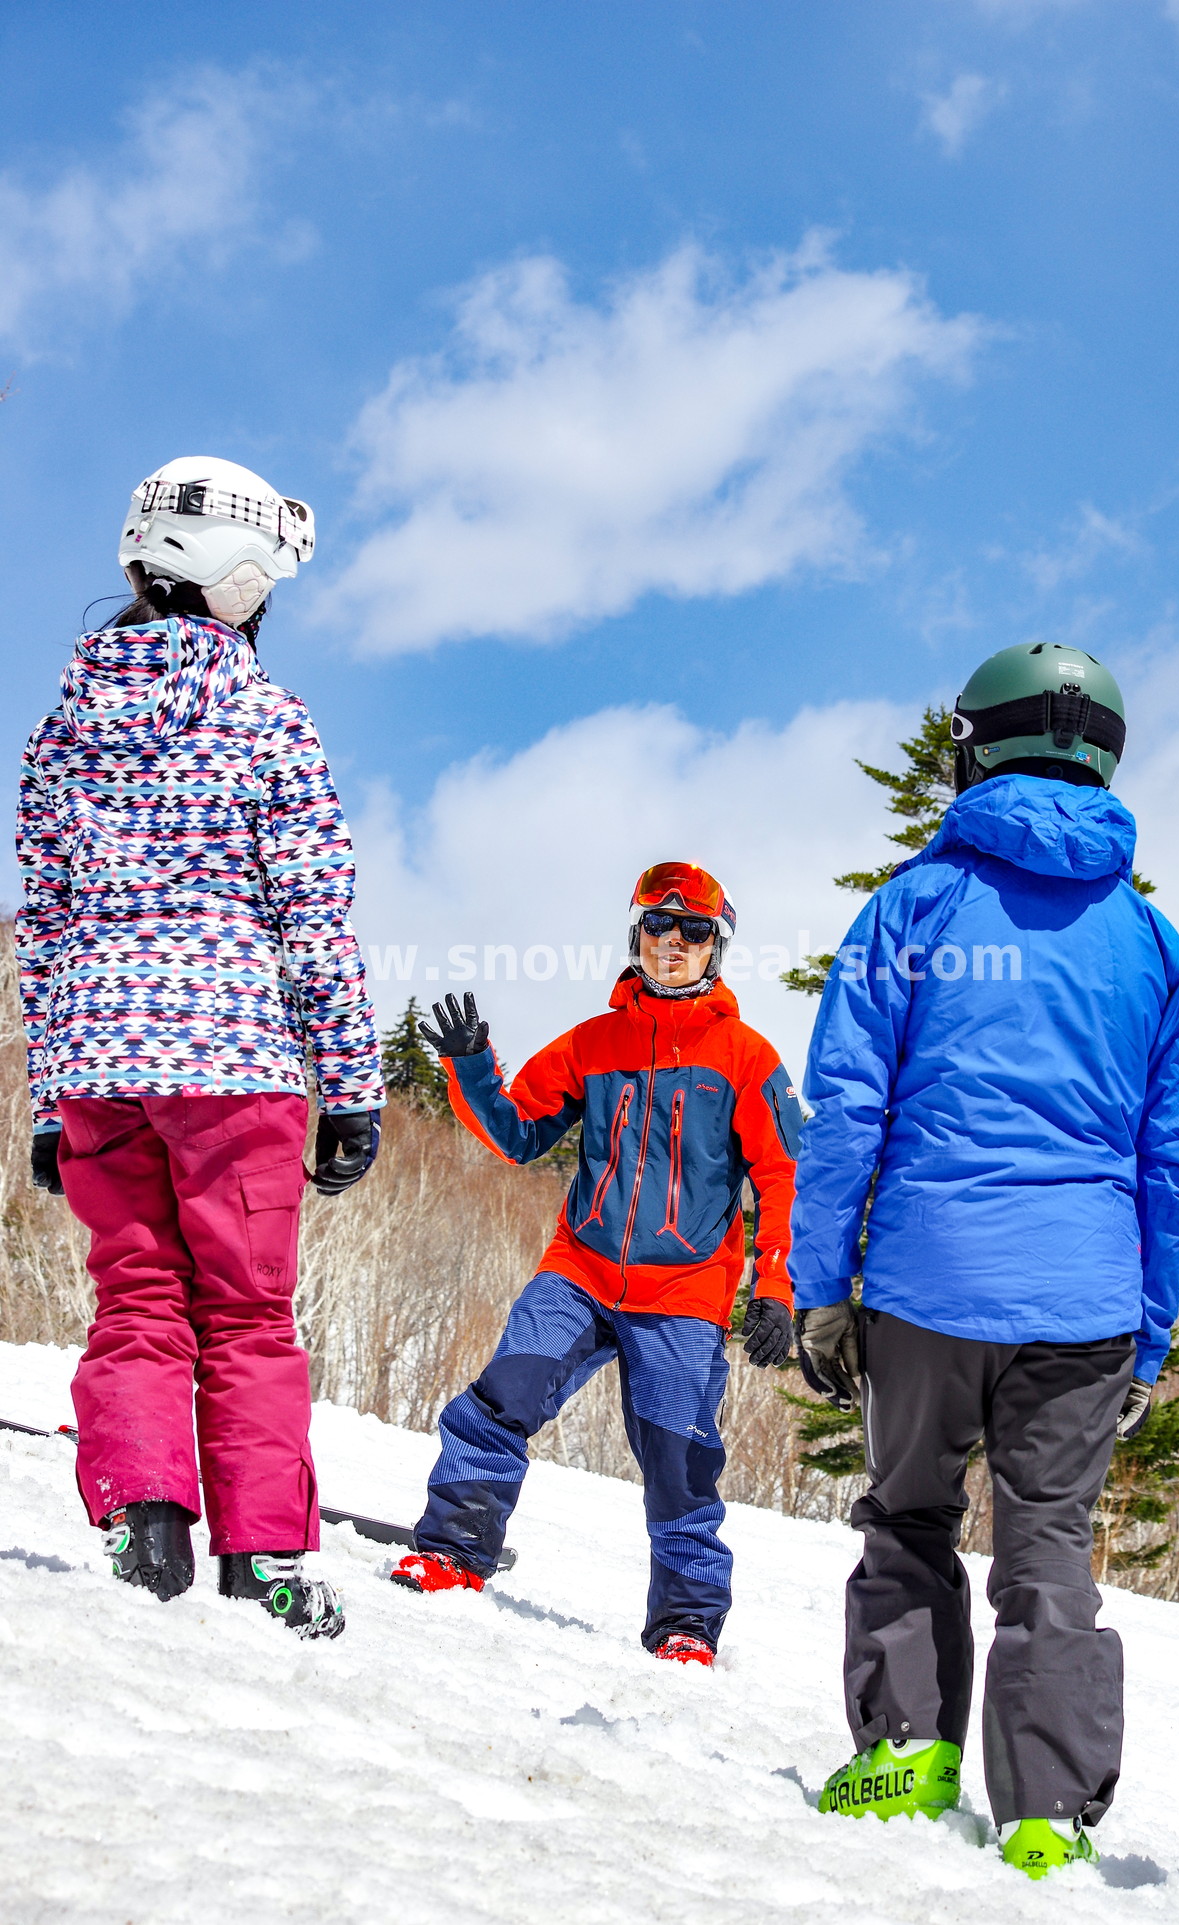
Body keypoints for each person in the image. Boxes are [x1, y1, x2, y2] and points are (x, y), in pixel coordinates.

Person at [789, 643, 1179, 1877]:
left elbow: (846, 1107)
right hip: (1081, 1301)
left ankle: (903, 1756)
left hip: (926, 1284)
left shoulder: (913, 906)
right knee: (1048, 1545)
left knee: (908, 1514)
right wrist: (1145, 1329)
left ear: (972, 746)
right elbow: (1175, 1151)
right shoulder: (1149, 940)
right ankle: (1042, 1812)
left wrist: (823, 1289)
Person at [15, 456, 385, 1639]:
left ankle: (145, 1519)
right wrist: (350, 1087)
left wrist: (45, 1101)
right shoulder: (268, 716)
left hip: (99, 1062)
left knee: (133, 1298)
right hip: (234, 1061)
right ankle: (265, 1557)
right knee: (245, 1311)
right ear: (238, 581)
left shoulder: (63, 723)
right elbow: (313, 915)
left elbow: (45, 918)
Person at [391, 862, 802, 1664]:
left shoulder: (747, 1057)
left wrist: (775, 1285)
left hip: (684, 1289)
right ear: (636, 937)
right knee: (503, 1394)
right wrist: (472, 1067)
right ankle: (453, 1549)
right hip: (580, 1268)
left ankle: (685, 1622)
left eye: (694, 932)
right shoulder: (594, 1042)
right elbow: (517, 1133)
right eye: (659, 926)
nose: (673, 943)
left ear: (716, 947)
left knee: (678, 1458)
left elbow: (788, 1175)